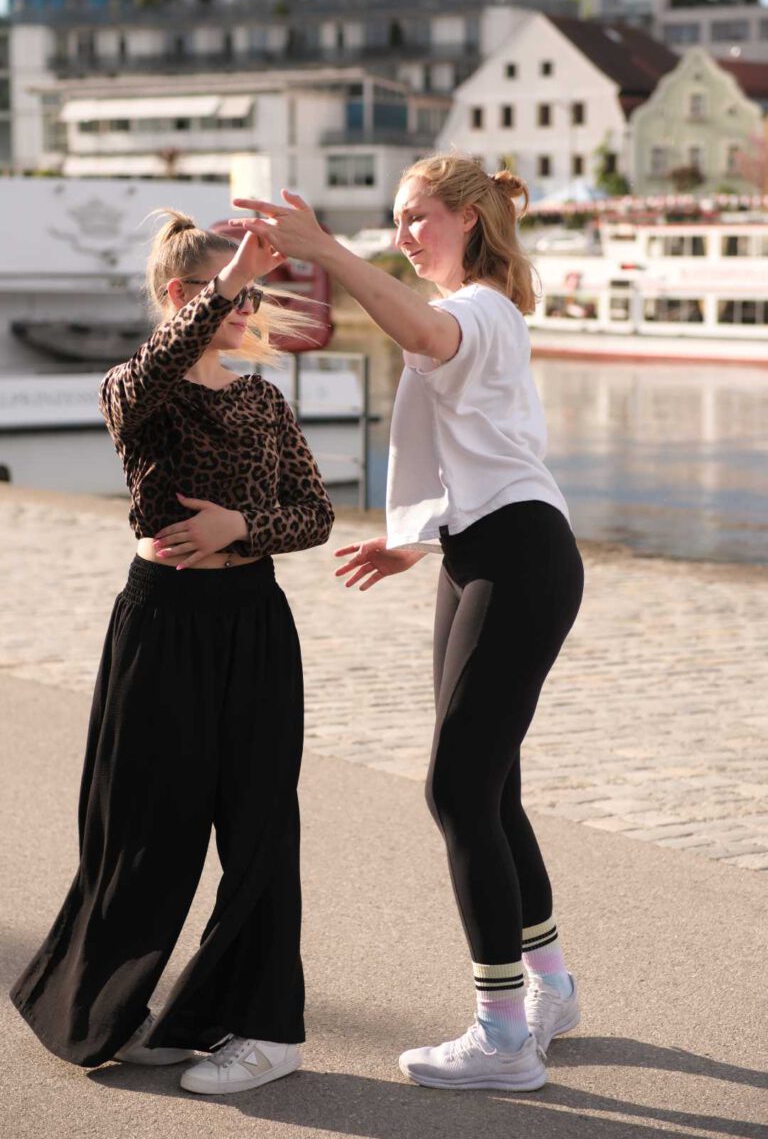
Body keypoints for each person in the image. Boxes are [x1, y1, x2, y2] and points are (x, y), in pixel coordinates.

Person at [230, 152, 584, 1092]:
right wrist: (417, 540)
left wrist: (326, 250)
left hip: (520, 558)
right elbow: (476, 443)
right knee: (487, 784)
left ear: (469, 217)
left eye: (417, 217)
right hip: (480, 554)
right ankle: (548, 986)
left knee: (457, 788)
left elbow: (423, 333)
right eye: (395, 221)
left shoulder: (481, 309)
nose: (403, 236)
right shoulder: (472, 311)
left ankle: (503, 1035)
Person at [10, 210, 334, 1096]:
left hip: (254, 623)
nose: (238, 306)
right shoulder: (132, 387)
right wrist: (226, 279)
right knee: (142, 827)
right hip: (161, 624)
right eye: (218, 291)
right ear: (175, 296)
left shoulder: (264, 398)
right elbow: (153, 369)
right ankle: (118, 1009)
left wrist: (244, 526)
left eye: (247, 293)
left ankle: (268, 1028)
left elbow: (316, 513)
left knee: (262, 825)